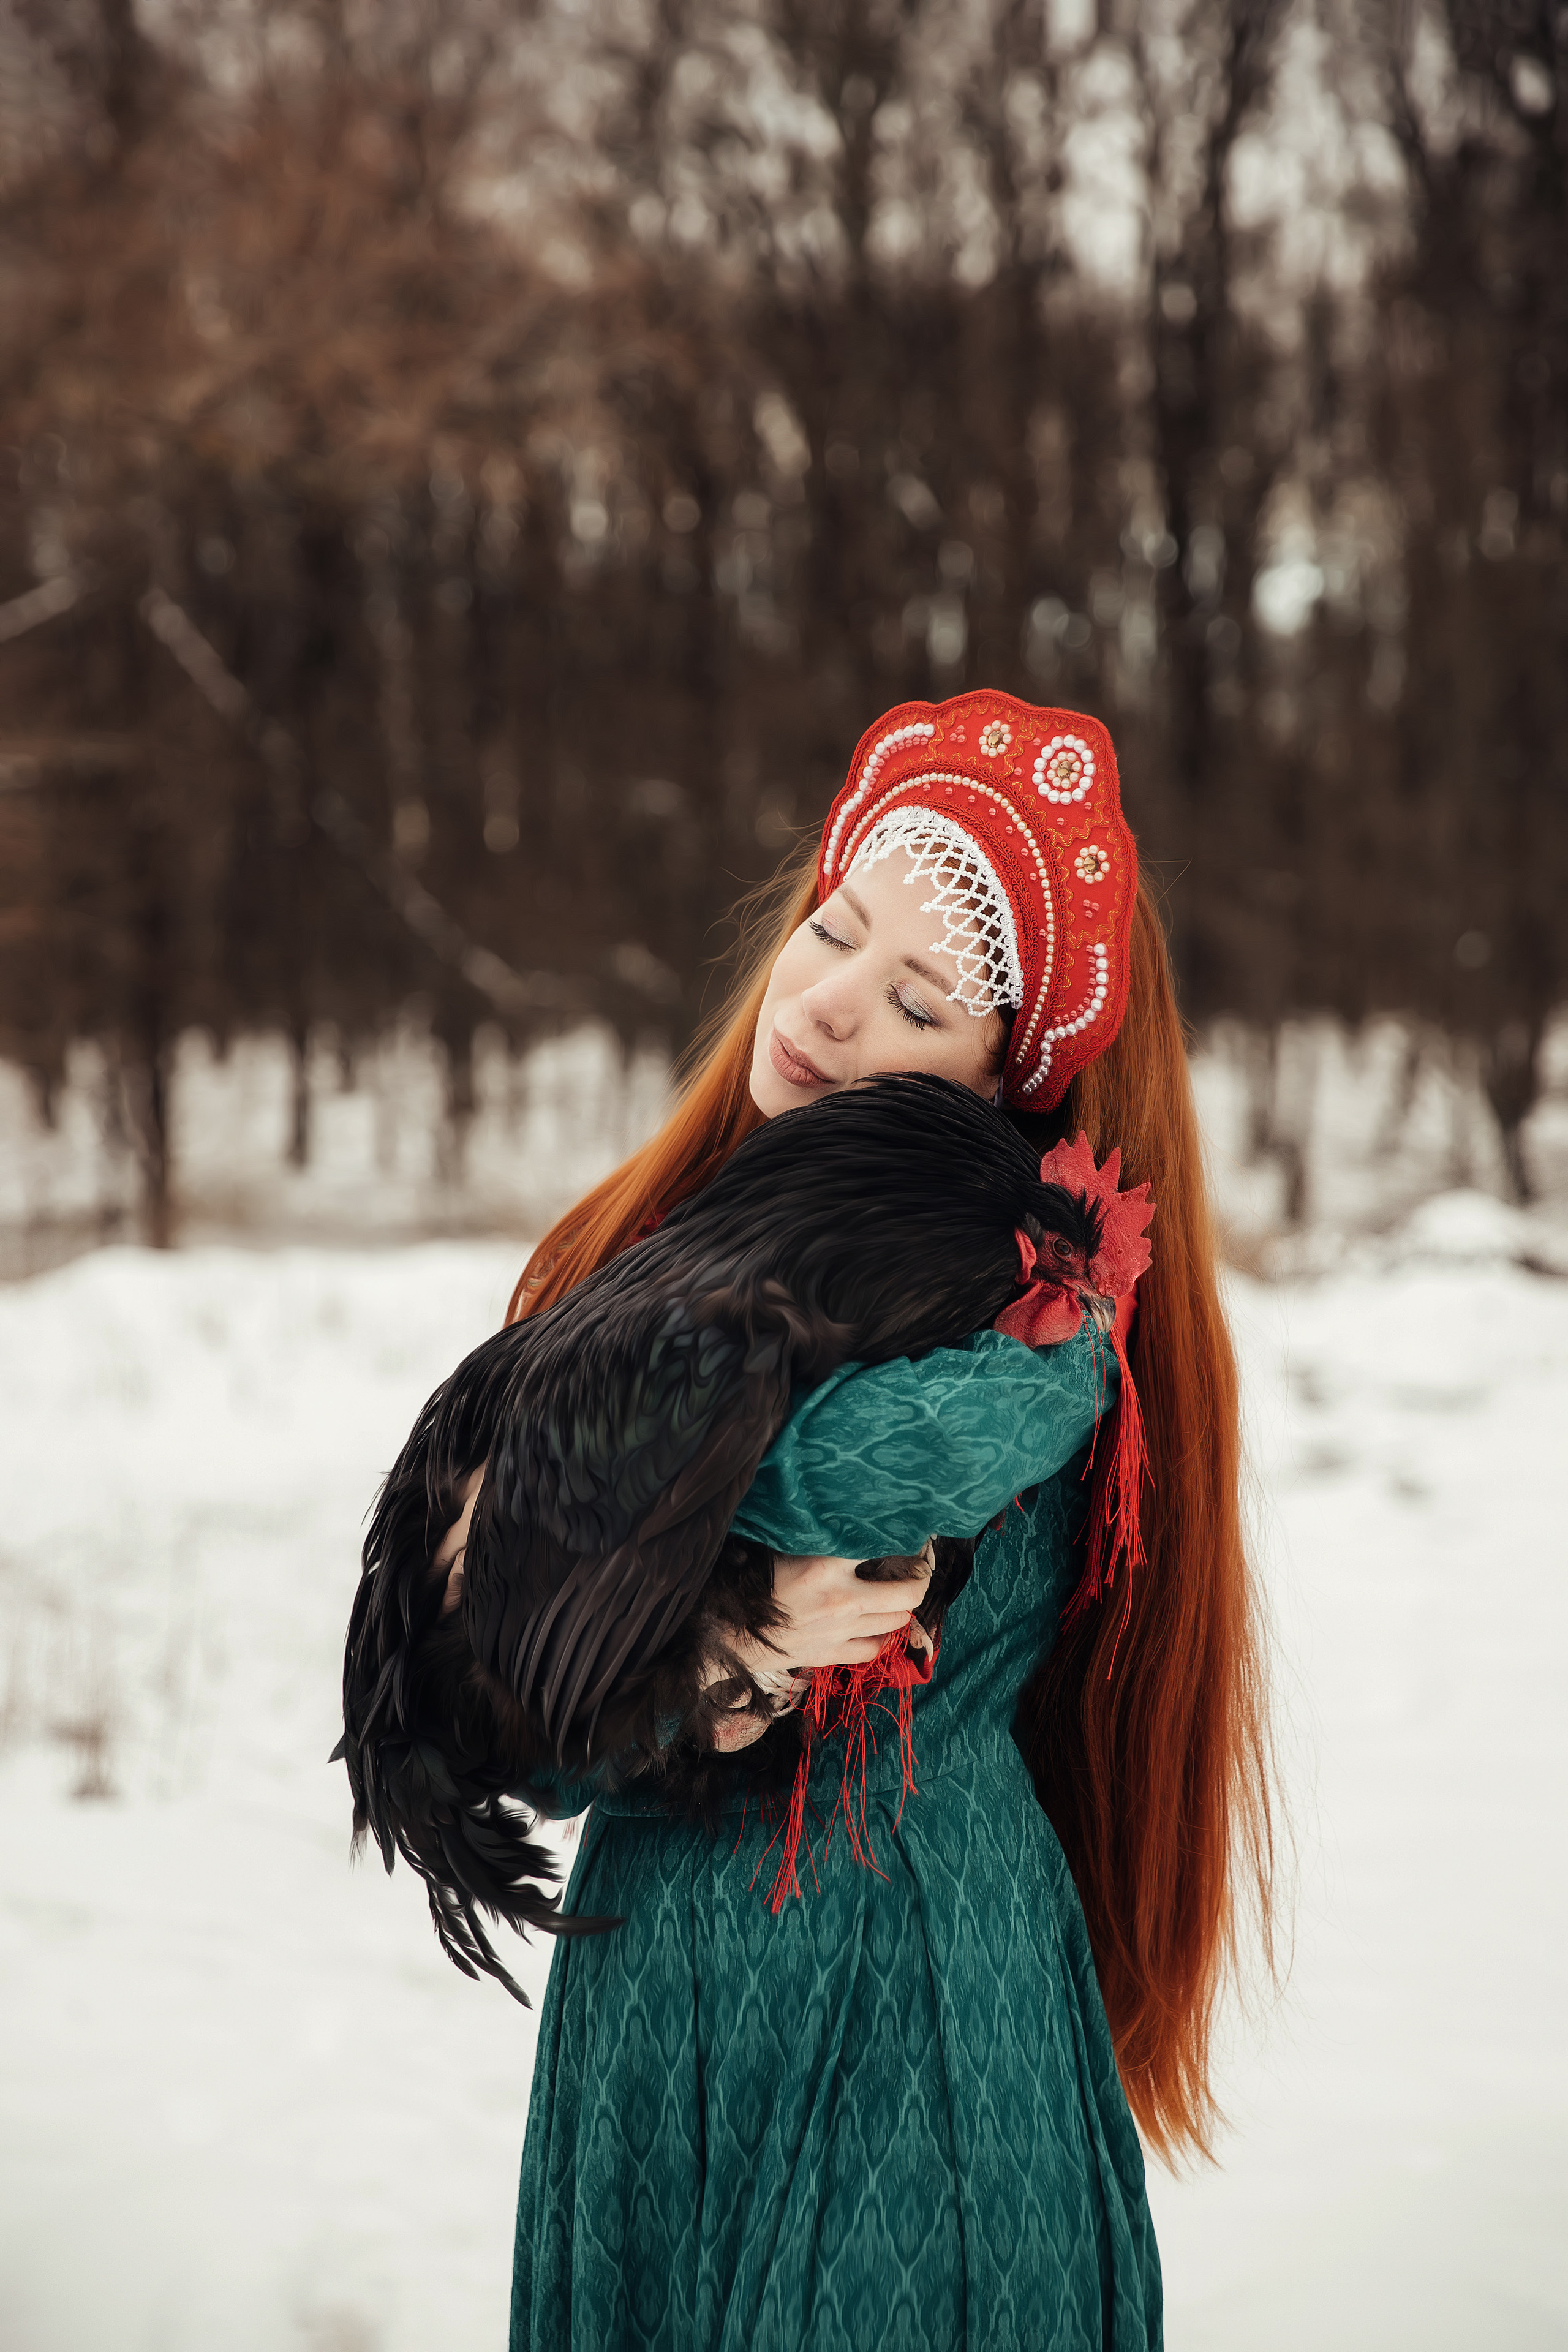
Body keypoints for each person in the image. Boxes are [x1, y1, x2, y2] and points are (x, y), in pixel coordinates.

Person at [484, 690, 1273, 2350]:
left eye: (917, 999)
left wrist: (556, 1496)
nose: (828, 1006)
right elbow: (518, 1714)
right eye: (832, 929)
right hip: (655, 2019)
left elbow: (800, 1490)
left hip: (905, 2011)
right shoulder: (646, 1253)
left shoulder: (1027, 1321)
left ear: (1002, 1092)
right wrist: (681, 1643)